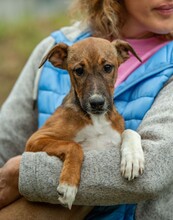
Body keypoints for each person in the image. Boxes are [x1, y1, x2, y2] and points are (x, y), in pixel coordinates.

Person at [0, 0, 173, 219]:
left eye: (107, 68)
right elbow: (5, 147)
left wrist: (23, 173)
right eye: (79, 71)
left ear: (123, 57)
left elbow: (148, 175)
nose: (96, 95)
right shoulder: (58, 44)